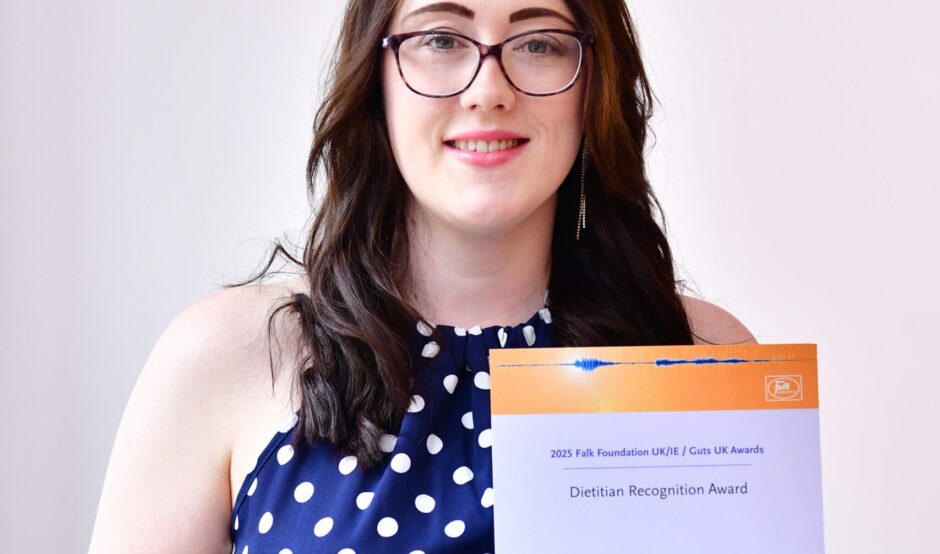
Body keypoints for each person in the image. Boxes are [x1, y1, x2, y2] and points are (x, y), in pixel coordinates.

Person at [89, 0, 756, 552]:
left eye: (540, 43)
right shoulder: (227, 355)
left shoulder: (702, 357)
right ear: (375, 74)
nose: (488, 90)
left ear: (594, 82)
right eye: (441, 37)